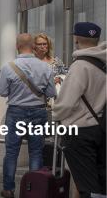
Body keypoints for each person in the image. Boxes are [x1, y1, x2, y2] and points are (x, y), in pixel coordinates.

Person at [0, 33, 56, 198]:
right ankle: (34, 189)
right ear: (34, 47)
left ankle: (8, 189)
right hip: (38, 112)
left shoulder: (8, 67)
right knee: (36, 152)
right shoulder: (45, 67)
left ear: (17, 46)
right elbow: (51, 93)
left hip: (16, 112)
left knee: (11, 152)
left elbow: (2, 92)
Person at [53, 22, 106, 198]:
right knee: (100, 182)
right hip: (101, 127)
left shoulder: (80, 66)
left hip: (79, 131)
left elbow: (66, 103)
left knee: (86, 185)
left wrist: (55, 115)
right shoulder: (103, 63)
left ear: (76, 39)